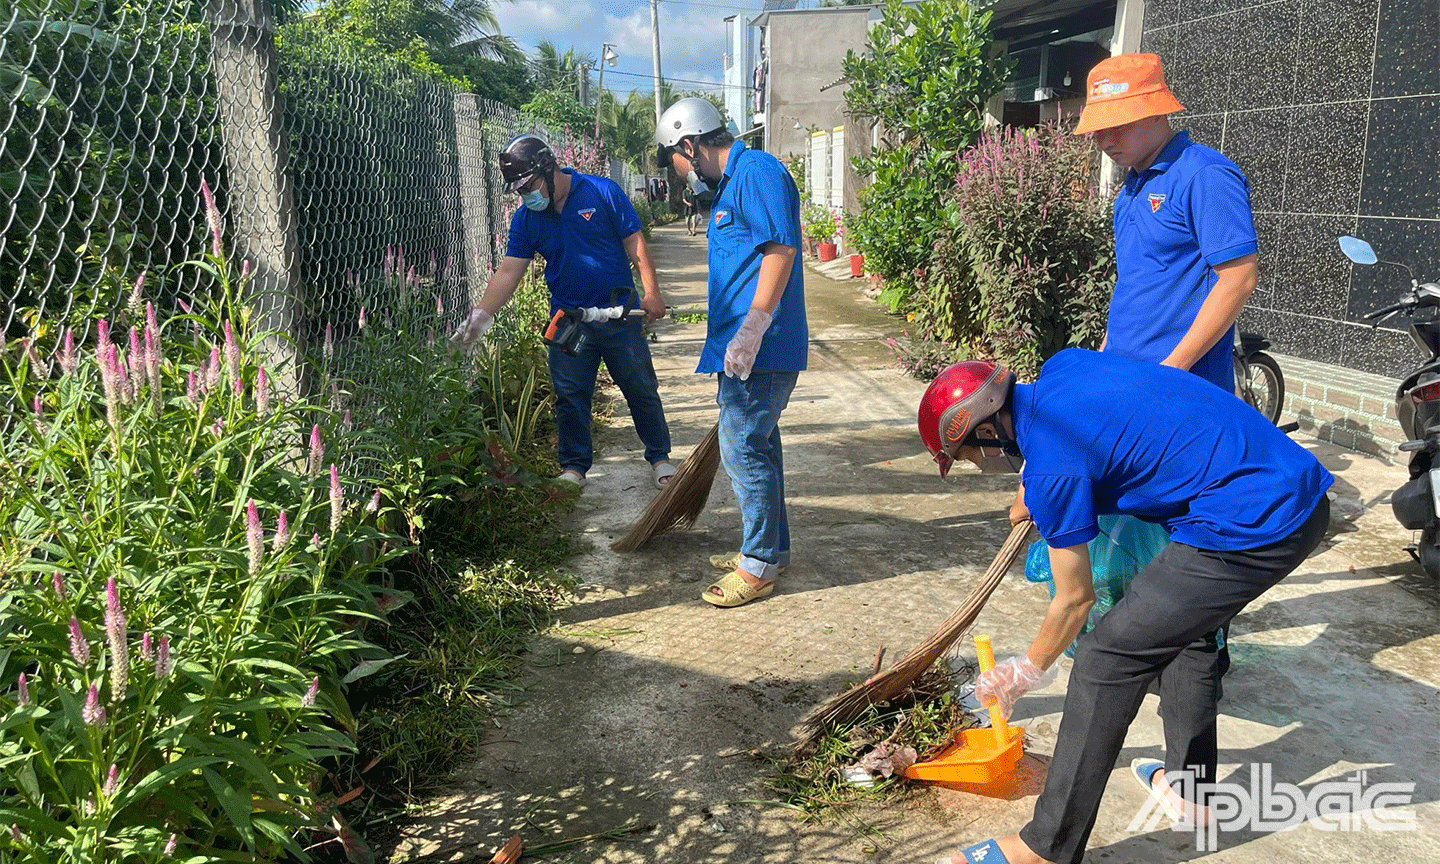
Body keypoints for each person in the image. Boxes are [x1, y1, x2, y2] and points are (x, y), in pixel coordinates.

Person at [919, 349, 1332, 864]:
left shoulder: (1053, 471)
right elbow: (1096, 437)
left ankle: (1046, 847)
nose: (978, 467)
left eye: (968, 455)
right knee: (1183, 626)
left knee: (1104, 660)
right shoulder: (1064, 369)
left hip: (1255, 523)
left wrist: (1026, 670)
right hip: (1287, 481)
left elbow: (1075, 601)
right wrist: (1043, 488)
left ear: (984, 429)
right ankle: (1193, 792)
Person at [452, 134, 674, 490]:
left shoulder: (601, 192)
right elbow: (510, 270)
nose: (527, 197)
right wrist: (479, 318)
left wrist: (652, 293)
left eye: (530, 186)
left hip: (618, 315)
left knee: (640, 388)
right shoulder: (527, 219)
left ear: (550, 169)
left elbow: (634, 241)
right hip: (569, 322)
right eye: (520, 191)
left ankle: (660, 458)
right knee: (570, 396)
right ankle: (574, 468)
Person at [656, 97, 808, 607]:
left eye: (672, 160)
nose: (675, 173)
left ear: (688, 145)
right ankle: (771, 551)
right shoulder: (732, 184)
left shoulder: (757, 171)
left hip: (761, 348)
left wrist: (752, 330)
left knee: (743, 448)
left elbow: (780, 250)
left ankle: (758, 565)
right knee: (759, 446)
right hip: (747, 348)